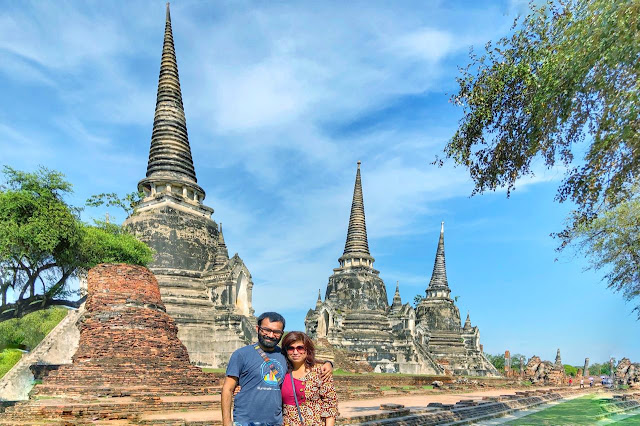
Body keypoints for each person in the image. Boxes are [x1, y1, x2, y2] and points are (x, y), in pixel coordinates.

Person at [221, 312, 333, 426]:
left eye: (276, 332)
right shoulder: (241, 355)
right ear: (257, 328)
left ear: (281, 333)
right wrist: (226, 422)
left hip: (276, 421)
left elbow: (303, 359)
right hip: (245, 420)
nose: (270, 335)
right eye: (266, 330)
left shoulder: (284, 355)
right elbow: (228, 389)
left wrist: (328, 363)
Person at [281, 331, 338, 426]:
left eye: (300, 348)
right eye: (291, 348)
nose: (295, 352)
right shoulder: (282, 372)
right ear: (286, 351)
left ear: (307, 349)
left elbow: (330, 405)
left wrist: (329, 363)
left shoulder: (320, 371)